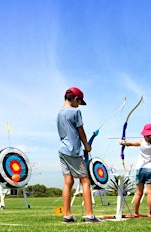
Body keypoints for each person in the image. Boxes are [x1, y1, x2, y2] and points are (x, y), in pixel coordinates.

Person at [57, 87, 101, 223]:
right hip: (74, 151)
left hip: (62, 150)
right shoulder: (75, 112)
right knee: (85, 180)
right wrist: (87, 145)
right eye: (79, 102)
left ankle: (67, 215)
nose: (79, 105)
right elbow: (81, 131)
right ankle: (90, 216)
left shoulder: (59, 113)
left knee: (68, 181)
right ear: (76, 99)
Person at [119, 123, 151, 218]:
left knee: (138, 192)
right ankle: (150, 213)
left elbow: (129, 143)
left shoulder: (141, 142)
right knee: (150, 192)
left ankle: (136, 213)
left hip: (140, 170)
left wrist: (122, 142)